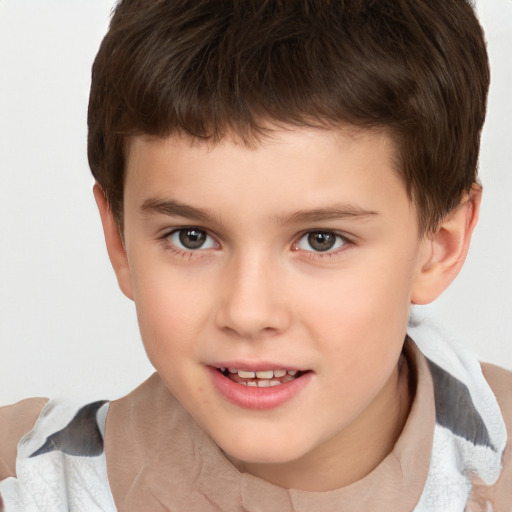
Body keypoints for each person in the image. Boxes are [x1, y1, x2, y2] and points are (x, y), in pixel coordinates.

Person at [1, 0, 511, 510]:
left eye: (321, 240)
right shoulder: (26, 486)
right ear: (120, 239)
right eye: (192, 237)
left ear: (439, 246)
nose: (248, 313)